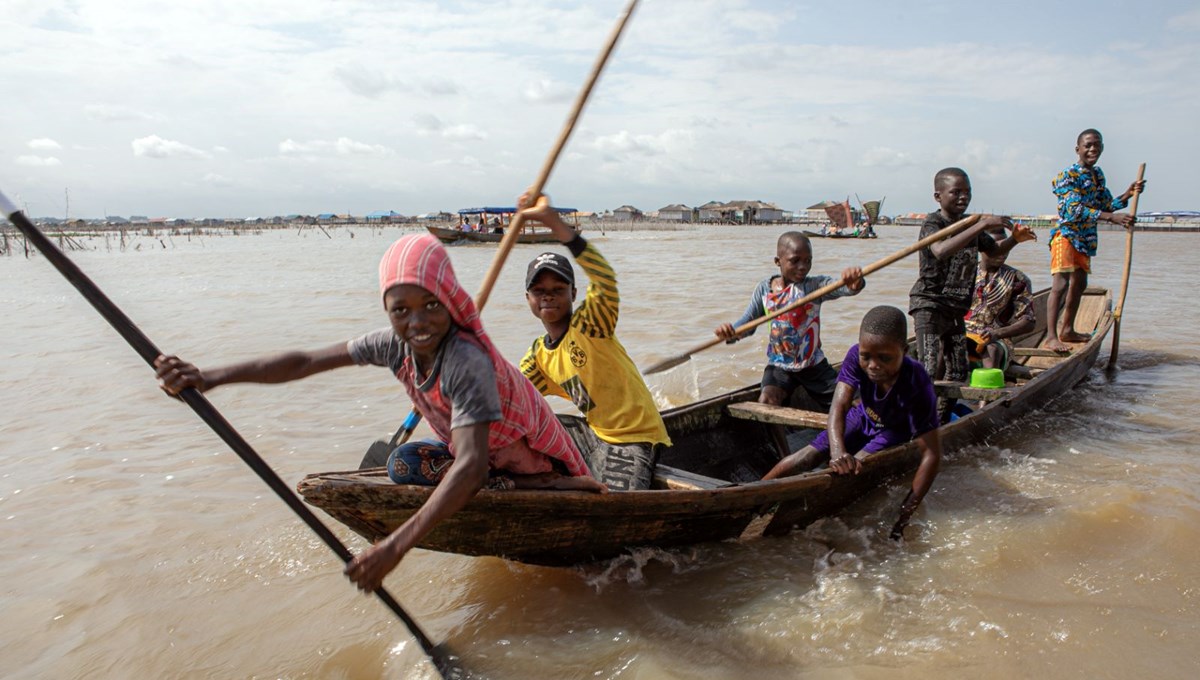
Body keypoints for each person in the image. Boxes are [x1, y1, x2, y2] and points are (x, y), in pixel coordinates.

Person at [153, 233, 605, 593]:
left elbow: (468, 469)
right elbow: (306, 362)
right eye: (401, 311)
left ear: (449, 300)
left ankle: (546, 483)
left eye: (431, 305)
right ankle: (518, 486)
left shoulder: (467, 361)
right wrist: (208, 377)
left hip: (526, 456)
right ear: (387, 313)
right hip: (480, 454)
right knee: (403, 464)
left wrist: (396, 547)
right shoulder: (395, 345)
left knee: (442, 471)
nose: (418, 323)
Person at [518, 194, 671, 491]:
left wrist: (554, 224)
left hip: (632, 437)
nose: (548, 296)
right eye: (539, 290)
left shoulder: (591, 325)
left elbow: (604, 278)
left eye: (557, 289)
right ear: (529, 299)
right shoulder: (537, 355)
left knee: (617, 509)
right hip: (591, 434)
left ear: (573, 294)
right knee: (517, 432)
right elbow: (512, 395)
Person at [762, 306, 941, 539]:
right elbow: (839, 405)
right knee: (807, 455)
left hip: (894, 429)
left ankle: (799, 520)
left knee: (855, 467)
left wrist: (904, 515)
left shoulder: (917, 382)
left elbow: (932, 455)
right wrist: (837, 452)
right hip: (863, 415)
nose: (873, 365)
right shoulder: (855, 355)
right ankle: (754, 497)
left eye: (884, 358)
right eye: (866, 357)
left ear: (904, 351)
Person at [908, 167, 1033, 422]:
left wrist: (1015, 240)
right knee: (929, 367)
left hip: (955, 310)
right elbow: (940, 250)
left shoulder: (972, 225)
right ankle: (914, 421)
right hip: (930, 305)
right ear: (938, 196)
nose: (963, 197)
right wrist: (981, 225)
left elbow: (993, 251)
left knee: (957, 371)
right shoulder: (934, 223)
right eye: (956, 192)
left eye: (967, 192)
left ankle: (940, 420)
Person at [715, 232, 864, 412]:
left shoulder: (813, 286)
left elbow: (844, 289)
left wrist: (855, 283)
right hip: (779, 366)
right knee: (766, 401)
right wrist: (732, 333)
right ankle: (778, 441)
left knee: (855, 401)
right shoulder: (765, 289)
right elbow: (749, 323)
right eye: (795, 261)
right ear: (778, 261)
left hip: (813, 365)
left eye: (808, 261)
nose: (803, 267)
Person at [1046, 129, 1147, 351]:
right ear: (1078, 149)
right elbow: (1073, 210)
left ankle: (1068, 330)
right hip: (1067, 235)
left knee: (1080, 284)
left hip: (1085, 238)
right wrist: (1111, 218)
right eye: (1088, 145)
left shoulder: (1097, 175)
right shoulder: (1068, 176)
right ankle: (1051, 337)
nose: (1093, 149)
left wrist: (1127, 195)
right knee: (1060, 284)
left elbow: (1105, 205)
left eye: (1097, 145)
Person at [964, 224, 1037, 370]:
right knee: (944, 345)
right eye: (997, 247)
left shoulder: (1018, 279)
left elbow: (1028, 321)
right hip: (963, 333)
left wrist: (996, 334)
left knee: (991, 350)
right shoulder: (965, 273)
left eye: (1006, 247)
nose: (1002, 252)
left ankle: (988, 392)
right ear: (982, 247)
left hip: (996, 339)